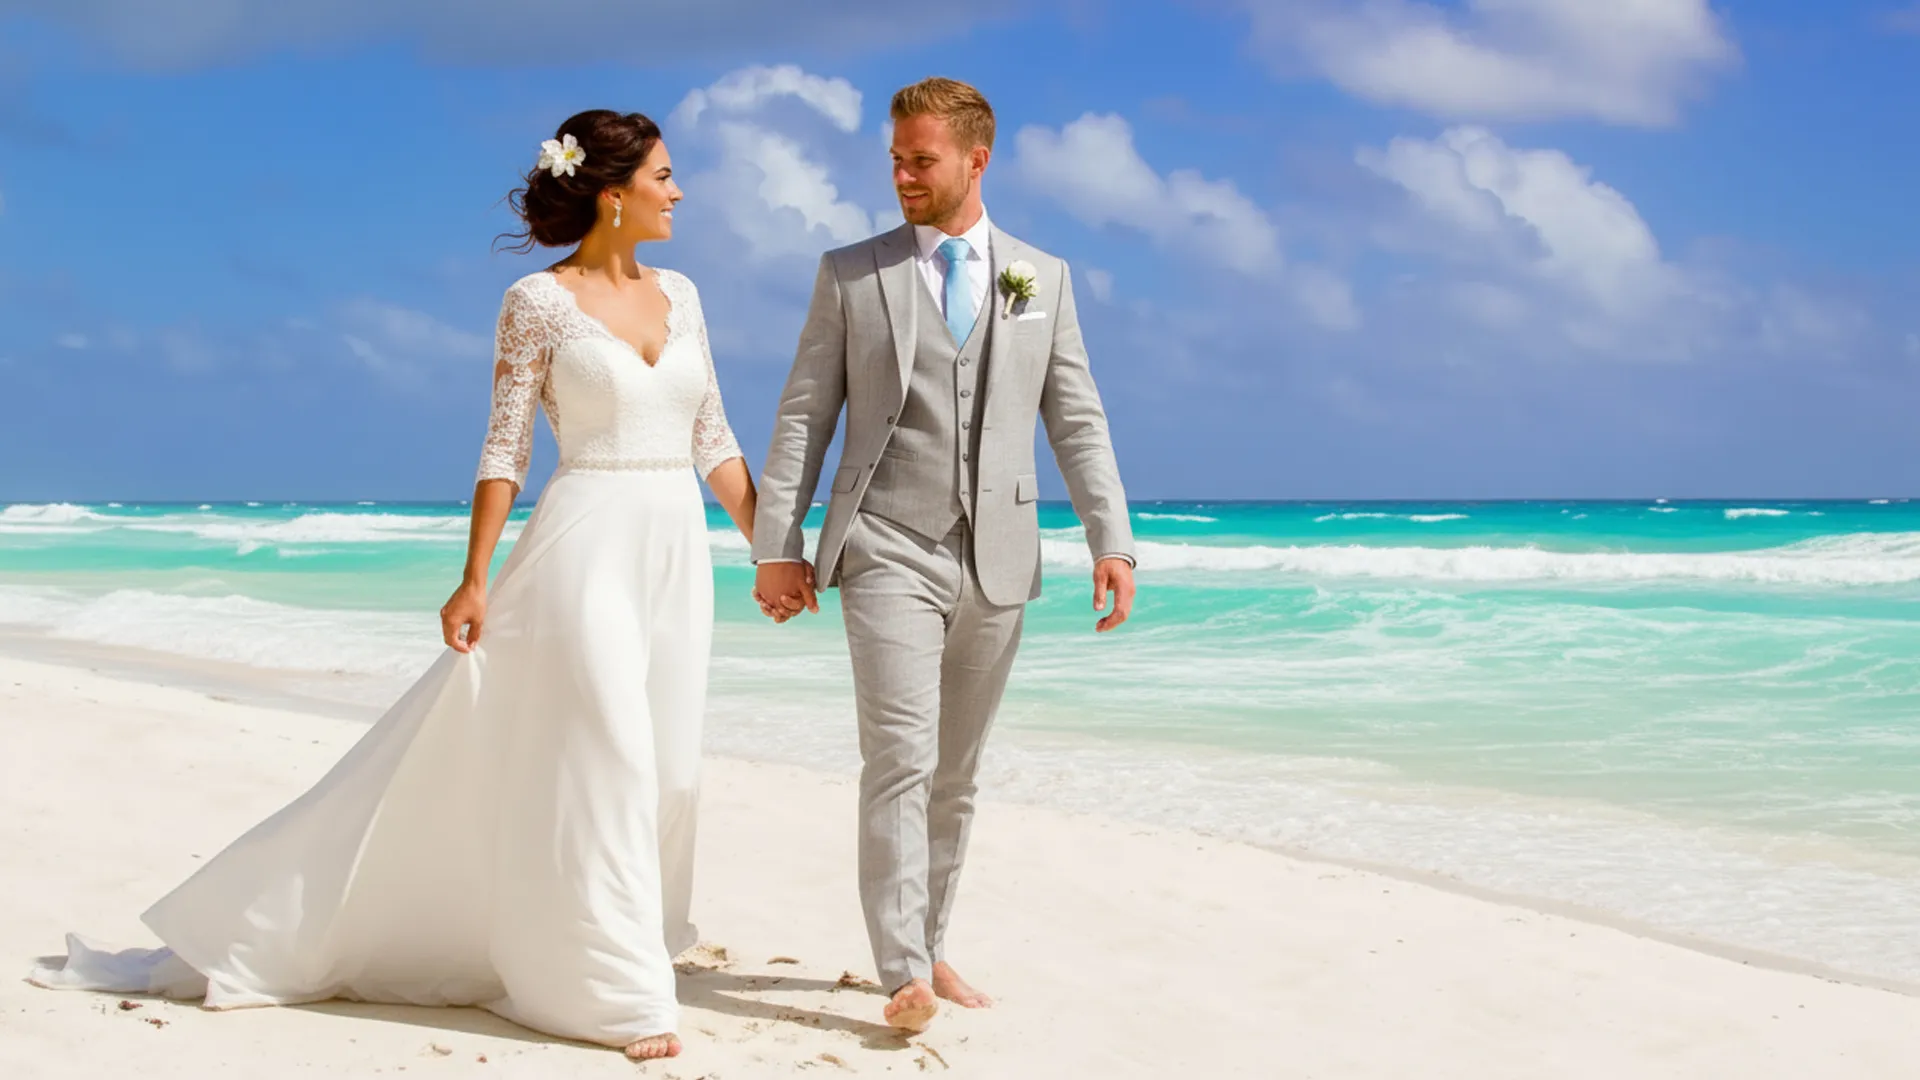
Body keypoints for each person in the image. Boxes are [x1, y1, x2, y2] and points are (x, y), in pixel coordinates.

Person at [29, 109, 751, 1063]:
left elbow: (714, 438)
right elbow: (505, 449)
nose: (679, 190)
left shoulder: (684, 295)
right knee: (608, 758)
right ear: (613, 194)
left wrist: (775, 547)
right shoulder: (536, 302)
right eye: (664, 175)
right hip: (584, 549)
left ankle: (618, 942)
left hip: (676, 554)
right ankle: (613, 992)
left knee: (669, 768)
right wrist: (473, 579)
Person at [751, 77, 1138, 1033]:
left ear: (977, 159)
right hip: (886, 541)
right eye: (895, 159)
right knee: (900, 758)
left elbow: (1076, 417)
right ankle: (901, 973)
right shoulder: (853, 274)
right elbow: (805, 413)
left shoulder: (1041, 278)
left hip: (999, 555)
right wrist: (777, 545)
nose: (902, 177)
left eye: (921, 160)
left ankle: (926, 946)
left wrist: (1112, 539)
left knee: (955, 774)